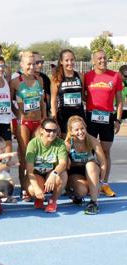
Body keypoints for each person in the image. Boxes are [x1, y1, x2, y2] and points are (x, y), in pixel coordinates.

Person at [84, 49, 123, 197]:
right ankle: (91, 183)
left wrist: (118, 119)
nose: (103, 60)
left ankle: (104, 184)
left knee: (106, 152)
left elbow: (119, 101)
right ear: (93, 61)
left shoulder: (115, 76)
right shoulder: (87, 76)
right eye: (99, 58)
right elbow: (82, 97)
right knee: (90, 152)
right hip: (91, 118)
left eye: (105, 58)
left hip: (108, 119)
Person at [10, 51, 46, 193]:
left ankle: (36, 186)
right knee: (24, 157)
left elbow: (42, 101)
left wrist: (44, 117)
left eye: (34, 63)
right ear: (22, 65)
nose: (32, 67)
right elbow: (8, 101)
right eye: (29, 64)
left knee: (36, 156)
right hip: (24, 123)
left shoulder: (39, 80)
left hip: (37, 122)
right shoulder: (15, 82)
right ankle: (25, 188)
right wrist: (17, 113)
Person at [65, 116, 107, 215]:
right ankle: (76, 195)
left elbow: (103, 162)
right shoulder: (67, 144)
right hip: (75, 172)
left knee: (90, 165)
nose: (80, 132)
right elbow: (62, 165)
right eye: (77, 130)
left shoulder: (93, 140)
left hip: (92, 171)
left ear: (86, 127)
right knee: (82, 190)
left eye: (82, 128)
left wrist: (101, 181)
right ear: (71, 131)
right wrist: (66, 186)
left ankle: (94, 202)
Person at [25, 118, 68, 213]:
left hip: (50, 172)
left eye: (54, 131)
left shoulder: (60, 143)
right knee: (32, 190)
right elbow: (29, 170)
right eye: (48, 130)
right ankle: (39, 198)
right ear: (41, 130)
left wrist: (54, 174)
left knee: (62, 175)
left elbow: (63, 164)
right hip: (36, 174)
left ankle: (53, 201)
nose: (52, 133)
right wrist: (36, 189)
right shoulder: (33, 144)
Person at [50, 49, 85, 138]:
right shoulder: (56, 78)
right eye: (67, 60)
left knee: (79, 144)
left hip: (79, 116)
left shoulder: (80, 76)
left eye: (72, 60)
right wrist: (55, 120)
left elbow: (83, 96)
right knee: (66, 146)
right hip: (63, 117)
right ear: (61, 62)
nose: (70, 62)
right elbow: (53, 101)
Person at [33, 52, 51, 116]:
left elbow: (48, 96)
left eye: (42, 62)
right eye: (37, 62)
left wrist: (48, 111)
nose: (40, 65)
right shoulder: (21, 79)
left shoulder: (45, 78)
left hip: (43, 115)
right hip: (28, 117)